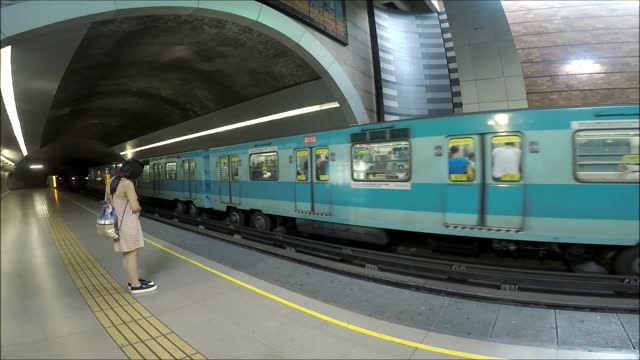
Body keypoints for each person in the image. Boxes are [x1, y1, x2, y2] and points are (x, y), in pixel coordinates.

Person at [106, 158, 157, 294]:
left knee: (127, 254)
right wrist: (137, 204)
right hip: (128, 223)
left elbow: (109, 201)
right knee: (132, 254)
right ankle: (135, 285)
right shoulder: (127, 183)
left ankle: (132, 280)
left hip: (117, 223)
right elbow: (135, 207)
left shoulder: (112, 181)